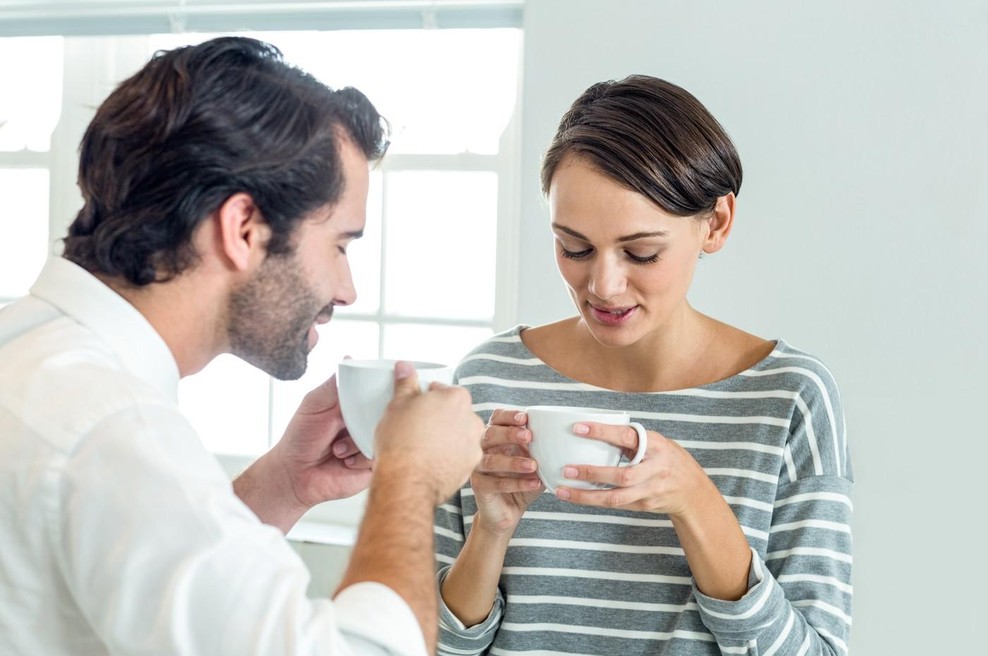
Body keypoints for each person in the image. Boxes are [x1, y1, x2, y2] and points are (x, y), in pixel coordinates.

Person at [0, 36, 484, 656]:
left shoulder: (36, 361)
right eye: (340, 244)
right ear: (244, 229)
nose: (349, 288)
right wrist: (410, 477)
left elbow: (153, 589)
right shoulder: (112, 429)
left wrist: (283, 486)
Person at [434, 75, 853, 655]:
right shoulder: (487, 380)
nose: (602, 285)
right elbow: (426, 645)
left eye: (641, 253)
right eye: (574, 248)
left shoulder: (789, 398)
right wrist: (492, 529)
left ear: (717, 223)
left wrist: (695, 502)